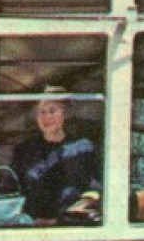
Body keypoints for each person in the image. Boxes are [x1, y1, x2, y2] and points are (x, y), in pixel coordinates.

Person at [11, 94, 101, 222]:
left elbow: (94, 188)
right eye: (42, 112)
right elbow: (14, 191)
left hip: (71, 224)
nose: (47, 117)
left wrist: (74, 212)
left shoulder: (83, 148)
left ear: (64, 114)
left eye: (52, 111)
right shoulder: (24, 150)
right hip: (33, 225)